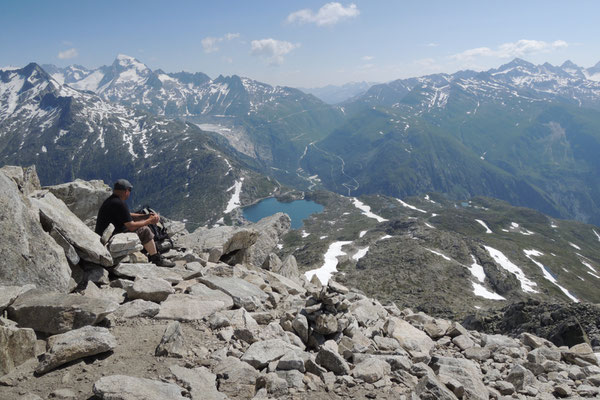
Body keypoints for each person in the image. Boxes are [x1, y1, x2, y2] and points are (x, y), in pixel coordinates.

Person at [95, 179, 175, 268]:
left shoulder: (111, 200)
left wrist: (145, 216)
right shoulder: (120, 203)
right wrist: (149, 221)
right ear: (126, 191)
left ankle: (149, 251)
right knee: (145, 230)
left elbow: (127, 215)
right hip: (111, 239)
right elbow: (131, 226)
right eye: (130, 191)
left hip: (103, 237)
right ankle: (156, 259)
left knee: (141, 224)